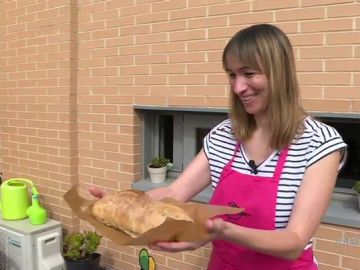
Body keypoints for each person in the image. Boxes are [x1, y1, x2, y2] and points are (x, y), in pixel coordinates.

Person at [90, 24, 347, 270]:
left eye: (249, 74)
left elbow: (295, 241)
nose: (238, 87)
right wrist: (123, 205)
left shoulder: (319, 143)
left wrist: (222, 231)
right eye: (232, 75)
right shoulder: (224, 135)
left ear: (279, 72)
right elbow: (175, 191)